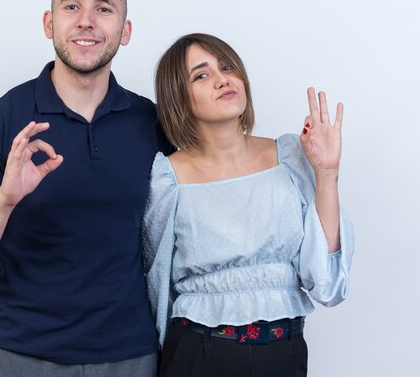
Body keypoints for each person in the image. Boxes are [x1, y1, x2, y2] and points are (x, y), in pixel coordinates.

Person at [0, 0, 171, 376]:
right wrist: (4, 200)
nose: (86, 21)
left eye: (103, 8)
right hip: (17, 357)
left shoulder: (153, 123)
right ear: (49, 23)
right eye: (71, 6)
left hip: (130, 358)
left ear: (125, 30)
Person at [142, 33, 354, 377]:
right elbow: (155, 283)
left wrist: (327, 173)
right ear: (179, 98)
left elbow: (327, 284)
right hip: (199, 353)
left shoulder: (289, 157)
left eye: (227, 67)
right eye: (202, 74)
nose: (222, 79)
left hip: (284, 352)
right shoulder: (167, 178)